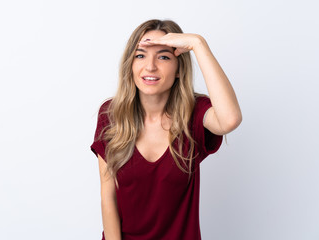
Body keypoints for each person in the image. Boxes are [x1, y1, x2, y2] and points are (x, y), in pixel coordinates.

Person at [91, 19, 242, 240]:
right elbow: (108, 195)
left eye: (163, 56)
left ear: (179, 68)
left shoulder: (195, 113)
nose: (150, 66)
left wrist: (198, 43)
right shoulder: (111, 115)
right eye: (140, 55)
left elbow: (230, 119)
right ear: (130, 65)